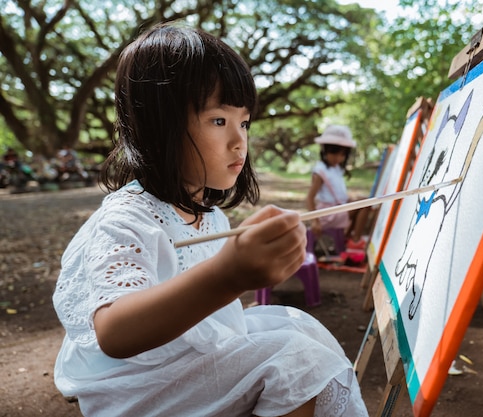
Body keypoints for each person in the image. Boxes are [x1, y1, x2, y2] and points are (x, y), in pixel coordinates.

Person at [52, 23, 367, 417]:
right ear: (159, 126)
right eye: (219, 121)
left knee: (299, 330)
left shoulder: (213, 216)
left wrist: (245, 265)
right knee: (295, 358)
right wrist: (228, 275)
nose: (239, 141)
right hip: (139, 386)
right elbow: (115, 332)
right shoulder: (127, 218)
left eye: (245, 122)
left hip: (183, 361)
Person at [305, 126, 369, 254]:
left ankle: (348, 237)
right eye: (334, 153)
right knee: (365, 205)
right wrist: (315, 221)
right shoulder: (320, 172)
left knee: (364, 202)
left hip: (337, 209)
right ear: (325, 151)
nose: (338, 158)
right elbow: (309, 198)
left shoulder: (336, 169)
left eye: (342, 155)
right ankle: (355, 241)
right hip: (327, 214)